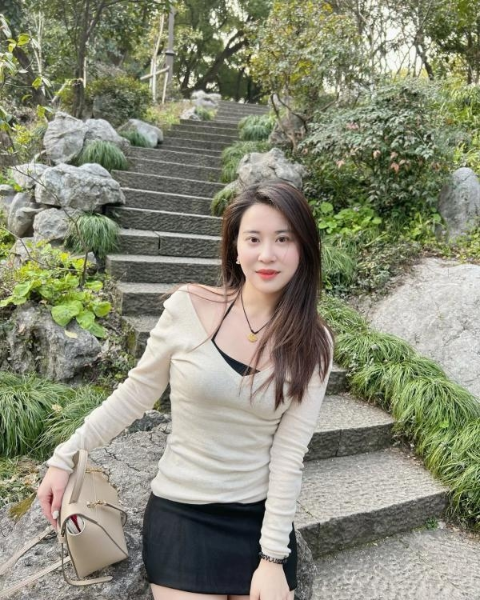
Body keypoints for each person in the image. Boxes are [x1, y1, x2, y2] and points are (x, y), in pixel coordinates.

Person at [37, 180, 334, 600]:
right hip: (182, 516)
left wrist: (272, 558)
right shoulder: (188, 308)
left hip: (258, 521)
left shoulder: (314, 343)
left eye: (283, 239)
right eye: (254, 239)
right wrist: (64, 457)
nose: (267, 254)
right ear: (235, 248)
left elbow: (289, 454)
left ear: (303, 248)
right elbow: (135, 394)